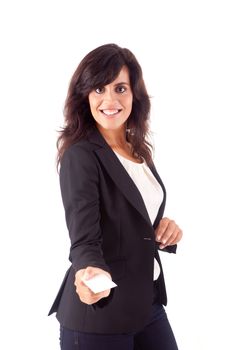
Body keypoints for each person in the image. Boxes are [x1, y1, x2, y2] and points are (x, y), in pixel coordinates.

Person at [48, 43, 183, 350]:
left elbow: (131, 215)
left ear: (135, 94)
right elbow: (83, 239)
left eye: (120, 88)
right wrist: (87, 272)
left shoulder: (137, 150)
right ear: (85, 96)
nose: (110, 100)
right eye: (98, 89)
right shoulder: (81, 155)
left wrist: (165, 229)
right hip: (100, 315)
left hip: (147, 305)